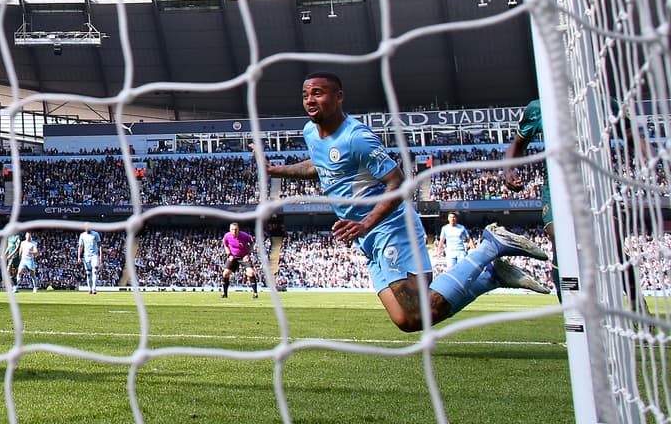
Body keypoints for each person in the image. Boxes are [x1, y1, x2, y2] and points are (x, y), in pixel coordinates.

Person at [263, 72, 549, 333]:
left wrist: (365, 224)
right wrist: (274, 169)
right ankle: (492, 276)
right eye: (305, 95)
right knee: (407, 320)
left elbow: (398, 183)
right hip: (365, 235)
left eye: (318, 93)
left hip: (389, 226)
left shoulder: (357, 137)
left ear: (338, 97)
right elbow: (318, 165)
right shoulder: (310, 132)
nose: (310, 100)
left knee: (422, 309)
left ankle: (491, 247)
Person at [503, 96, 647, 308]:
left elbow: (631, 136)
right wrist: (509, 170)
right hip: (557, 187)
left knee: (613, 243)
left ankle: (637, 303)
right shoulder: (538, 107)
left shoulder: (604, 101)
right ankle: (570, 309)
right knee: (559, 238)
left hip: (598, 185)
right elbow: (517, 144)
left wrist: (656, 159)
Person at [221, 222, 256, 298]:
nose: (234, 231)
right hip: (233, 256)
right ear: (230, 229)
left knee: (251, 273)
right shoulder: (227, 236)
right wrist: (229, 255)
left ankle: (255, 293)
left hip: (243, 256)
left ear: (238, 229)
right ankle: (224, 293)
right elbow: (225, 245)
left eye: (236, 229)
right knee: (225, 274)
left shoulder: (244, 236)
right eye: (232, 229)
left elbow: (252, 243)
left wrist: (248, 254)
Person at [77, 224, 103, 295]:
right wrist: (79, 257)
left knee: (94, 271)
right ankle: (90, 289)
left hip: (94, 256)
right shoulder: (82, 235)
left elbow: (100, 245)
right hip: (86, 256)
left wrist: (101, 256)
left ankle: (94, 289)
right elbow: (80, 246)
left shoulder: (95, 234)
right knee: (88, 273)